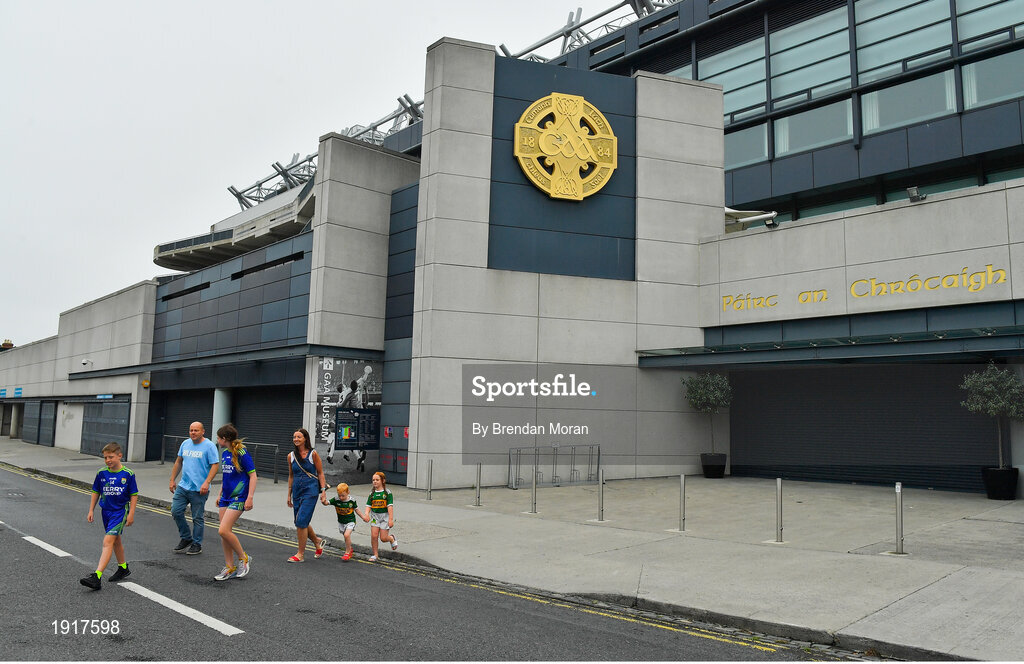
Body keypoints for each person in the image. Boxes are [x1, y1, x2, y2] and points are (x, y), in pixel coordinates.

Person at [80, 442, 138, 590]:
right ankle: (123, 568)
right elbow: (96, 491)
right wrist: (91, 510)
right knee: (116, 540)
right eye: (105, 458)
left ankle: (97, 576)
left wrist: (131, 514)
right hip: (106, 512)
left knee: (108, 541)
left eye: (111, 457)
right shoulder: (102, 473)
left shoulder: (128, 474)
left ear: (120, 456)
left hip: (120, 512)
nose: (108, 460)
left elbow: (133, 495)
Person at [168, 421, 219, 555]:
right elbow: (179, 461)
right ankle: (186, 538)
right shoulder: (185, 444)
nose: (193, 433)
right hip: (183, 486)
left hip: (199, 489)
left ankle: (197, 544)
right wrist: (172, 479)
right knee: (176, 511)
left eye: (196, 430)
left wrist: (207, 482)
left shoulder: (209, 446)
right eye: (191, 430)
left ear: (203, 431)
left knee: (197, 517)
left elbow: (215, 465)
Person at [214, 424, 257, 581]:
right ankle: (229, 566)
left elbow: (253, 475)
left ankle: (243, 557)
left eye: (218, 437)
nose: (217, 440)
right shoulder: (225, 453)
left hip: (239, 497)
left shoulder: (242, 452)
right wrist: (219, 494)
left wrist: (250, 497)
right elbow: (227, 478)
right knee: (224, 533)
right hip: (226, 497)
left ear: (224, 438)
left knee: (223, 530)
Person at [286, 428, 329, 562]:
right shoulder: (291, 456)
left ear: (305, 438)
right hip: (297, 491)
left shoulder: (313, 454)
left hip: (310, 491)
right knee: (299, 521)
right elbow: (291, 476)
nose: (296, 439)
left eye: (299, 437)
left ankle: (300, 554)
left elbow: (320, 473)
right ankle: (317, 541)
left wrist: (323, 491)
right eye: (294, 437)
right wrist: (289, 494)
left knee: (301, 521)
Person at [327, 483, 366, 561]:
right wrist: (323, 500)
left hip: (350, 521)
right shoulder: (336, 499)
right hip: (341, 522)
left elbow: (357, 510)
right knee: (345, 536)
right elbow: (326, 503)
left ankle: (347, 552)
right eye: (339, 495)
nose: (341, 497)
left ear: (348, 492)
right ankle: (349, 548)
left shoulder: (352, 501)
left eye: (343, 496)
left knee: (346, 534)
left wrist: (363, 517)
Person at [364, 471, 397, 562]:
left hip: (385, 518)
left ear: (383, 481)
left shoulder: (387, 493)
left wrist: (390, 519)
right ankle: (375, 554)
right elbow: (368, 505)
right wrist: (366, 514)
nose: (375, 482)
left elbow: (390, 506)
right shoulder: (372, 494)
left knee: (383, 538)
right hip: (375, 517)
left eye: (377, 480)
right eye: (373, 480)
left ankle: (391, 538)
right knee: (374, 536)